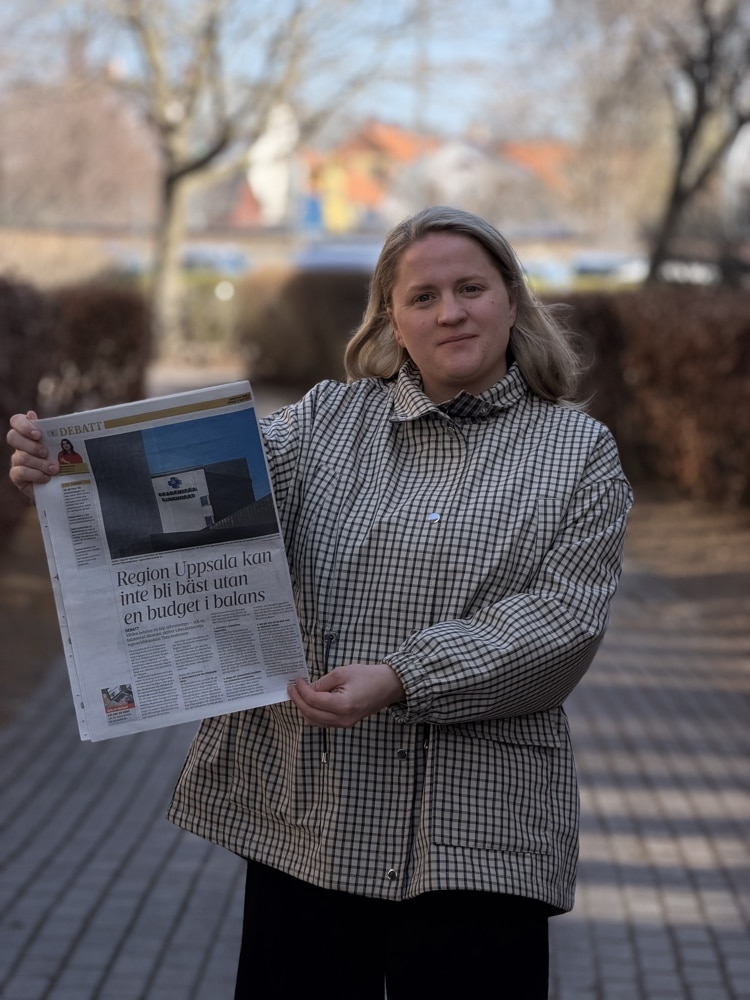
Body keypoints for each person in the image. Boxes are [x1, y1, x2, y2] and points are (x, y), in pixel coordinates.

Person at [7, 206, 632, 999]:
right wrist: (71, 475)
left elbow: (563, 624)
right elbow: (201, 498)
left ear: (512, 298)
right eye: (423, 297)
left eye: (471, 288)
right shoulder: (325, 423)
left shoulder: (579, 453)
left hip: (478, 833)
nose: (450, 312)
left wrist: (402, 677)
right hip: (311, 822)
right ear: (394, 322)